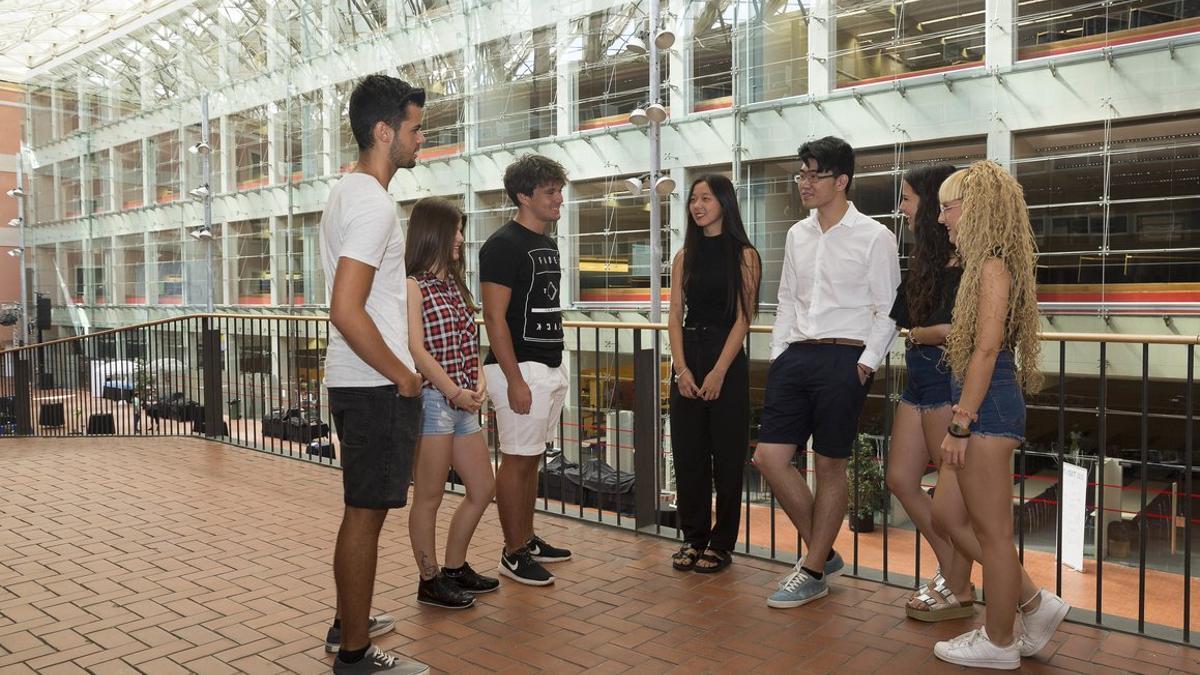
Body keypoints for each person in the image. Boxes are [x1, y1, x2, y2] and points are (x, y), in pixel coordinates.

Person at [931, 161, 1069, 669]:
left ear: (977, 208)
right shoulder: (981, 264)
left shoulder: (991, 265)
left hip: (985, 410)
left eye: (948, 207)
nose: (942, 218)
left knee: (992, 533)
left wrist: (960, 423)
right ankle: (1033, 603)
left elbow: (986, 351)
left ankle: (999, 640)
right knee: (947, 514)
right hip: (981, 406)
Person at [753, 136, 900, 608]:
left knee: (830, 465)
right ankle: (824, 550)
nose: (805, 183)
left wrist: (863, 364)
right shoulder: (798, 234)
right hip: (795, 355)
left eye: (814, 175)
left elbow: (888, 311)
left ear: (842, 180)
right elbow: (785, 300)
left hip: (845, 358)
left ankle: (813, 568)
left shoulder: (875, 236)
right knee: (769, 458)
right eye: (801, 174)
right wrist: (779, 353)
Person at [319, 74, 429, 675]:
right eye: (415, 129)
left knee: (360, 510)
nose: (421, 141)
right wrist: (404, 376)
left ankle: (347, 626)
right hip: (373, 383)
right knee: (365, 514)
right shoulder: (372, 201)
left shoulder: (347, 192)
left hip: (360, 380)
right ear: (384, 131)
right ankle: (356, 655)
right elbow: (346, 307)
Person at [884, 164, 976, 622]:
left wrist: (920, 333)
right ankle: (952, 572)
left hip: (944, 378)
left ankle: (959, 589)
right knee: (901, 478)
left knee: (951, 496)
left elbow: (958, 330)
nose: (901, 208)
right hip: (919, 376)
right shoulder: (925, 258)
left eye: (907, 199)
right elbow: (902, 318)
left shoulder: (966, 260)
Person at [480, 154, 572, 586]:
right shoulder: (502, 245)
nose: (559, 199)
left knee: (530, 459)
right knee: (515, 462)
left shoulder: (547, 244)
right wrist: (515, 378)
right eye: (550, 191)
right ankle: (512, 552)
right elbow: (494, 318)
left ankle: (527, 538)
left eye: (559, 190)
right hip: (518, 370)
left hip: (548, 365)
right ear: (523, 196)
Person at [404, 197, 499, 609]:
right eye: (455, 230)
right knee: (429, 496)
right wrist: (454, 391)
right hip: (433, 402)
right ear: (433, 234)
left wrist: (477, 383)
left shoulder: (455, 285)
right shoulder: (412, 285)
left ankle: (455, 568)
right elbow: (416, 348)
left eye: (461, 229)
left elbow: (468, 341)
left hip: (463, 402)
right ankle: (429, 579)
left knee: (482, 488)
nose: (460, 238)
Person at [667, 174, 761, 574]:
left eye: (705, 197)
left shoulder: (745, 255)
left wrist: (720, 371)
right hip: (689, 350)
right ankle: (693, 537)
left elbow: (744, 317)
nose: (697, 205)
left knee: (726, 456)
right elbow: (673, 315)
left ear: (724, 201)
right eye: (692, 199)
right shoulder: (684, 256)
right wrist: (681, 368)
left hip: (727, 356)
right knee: (688, 454)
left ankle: (721, 544)